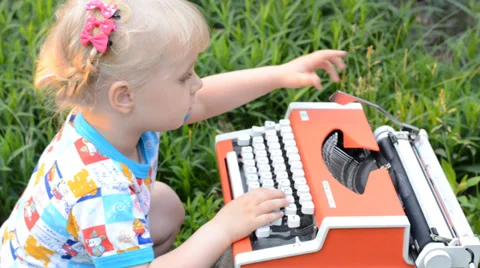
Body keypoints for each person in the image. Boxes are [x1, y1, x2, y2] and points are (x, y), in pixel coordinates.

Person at [0, 0, 347, 267]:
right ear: (125, 96)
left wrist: (280, 74)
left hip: (54, 245)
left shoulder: (111, 117)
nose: (196, 83)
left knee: (163, 204)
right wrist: (222, 228)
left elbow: (202, 99)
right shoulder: (102, 191)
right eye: (185, 76)